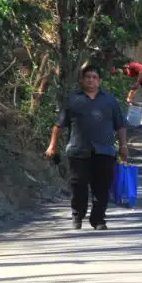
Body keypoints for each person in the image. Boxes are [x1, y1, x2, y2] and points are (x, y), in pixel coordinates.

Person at [45, 64, 128, 230]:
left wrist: (123, 146)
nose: (91, 80)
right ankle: (77, 215)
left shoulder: (109, 100)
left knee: (102, 187)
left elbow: (120, 125)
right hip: (78, 150)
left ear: (99, 81)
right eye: (87, 77)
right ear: (82, 80)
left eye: (94, 77)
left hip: (105, 151)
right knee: (79, 185)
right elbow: (59, 124)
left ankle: (98, 219)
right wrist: (52, 145)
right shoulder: (72, 99)